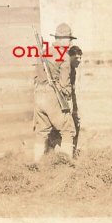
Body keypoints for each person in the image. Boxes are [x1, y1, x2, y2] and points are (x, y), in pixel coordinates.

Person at [32, 23, 77, 162]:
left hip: (39, 95)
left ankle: (36, 165)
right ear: (62, 39)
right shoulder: (64, 57)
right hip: (52, 95)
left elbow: (36, 76)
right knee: (68, 130)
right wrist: (68, 99)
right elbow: (65, 84)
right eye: (69, 38)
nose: (70, 42)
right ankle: (66, 166)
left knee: (41, 132)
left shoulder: (45, 52)